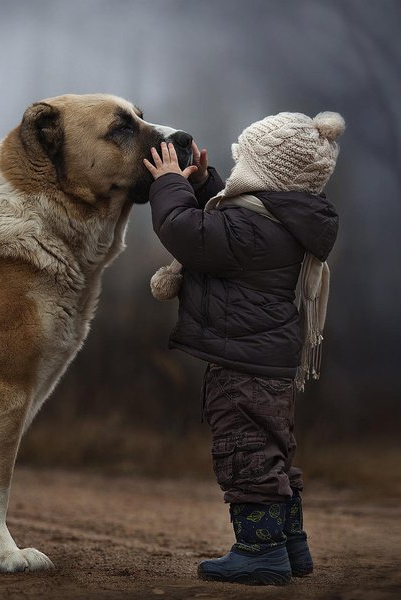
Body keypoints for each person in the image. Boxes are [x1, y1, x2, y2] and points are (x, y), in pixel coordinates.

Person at [142, 111, 344, 585]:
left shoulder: (252, 232)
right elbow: (224, 219)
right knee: (272, 451)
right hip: (267, 362)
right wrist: (202, 182)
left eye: (243, 162)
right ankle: (291, 546)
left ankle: (260, 553)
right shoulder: (278, 220)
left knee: (245, 451)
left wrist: (169, 184)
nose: (235, 173)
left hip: (243, 365)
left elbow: (184, 230)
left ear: (265, 173)